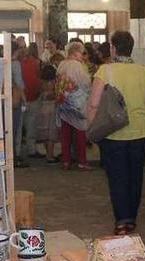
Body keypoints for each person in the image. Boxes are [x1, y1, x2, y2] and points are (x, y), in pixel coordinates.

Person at [88, 31, 145, 235]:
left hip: (113, 133)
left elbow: (94, 104)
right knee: (136, 176)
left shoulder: (105, 71)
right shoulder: (143, 71)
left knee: (117, 177)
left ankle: (121, 221)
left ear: (112, 48)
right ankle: (132, 218)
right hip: (141, 132)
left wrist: (92, 129)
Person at [55, 41, 93, 171]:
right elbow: (86, 82)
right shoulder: (77, 65)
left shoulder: (62, 64)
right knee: (80, 133)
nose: (83, 56)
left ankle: (66, 160)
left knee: (65, 134)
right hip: (78, 103)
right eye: (82, 53)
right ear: (76, 52)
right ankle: (81, 161)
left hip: (64, 102)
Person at [21, 43, 44, 161]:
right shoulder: (16, 63)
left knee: (29, 127)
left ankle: (29, 150)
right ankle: (24, 151)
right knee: (25, 127)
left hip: (30, 99)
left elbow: (38, 78)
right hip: (24, 99)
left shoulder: (32, 62)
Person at [11, 47, 28, 167]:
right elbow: (19, 82)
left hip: (2, 101)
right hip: (14, 99)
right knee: (15, 130)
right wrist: (25, 100)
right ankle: (14, 157)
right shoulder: (15, 64)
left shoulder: (0, 62)